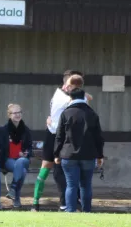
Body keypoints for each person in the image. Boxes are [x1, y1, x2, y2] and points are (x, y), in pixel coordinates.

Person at [32, 70, 92, 212]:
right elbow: (86, 99)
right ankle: (64, 204)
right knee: (56, 168)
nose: (79, 88)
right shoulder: (66, 98)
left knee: (63, 169)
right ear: (67, 84)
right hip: (58, 135)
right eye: (75, 84)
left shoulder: (60, 93)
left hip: (57, 132)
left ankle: (62, 203)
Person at [53, 80, 104, 213]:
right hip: (88, 155)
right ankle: (86, 211)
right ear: (83, 97)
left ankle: (70, 211)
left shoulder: (66, 113)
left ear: (71, 98)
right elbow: (99, 137)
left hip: (68, 155)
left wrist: (56, 154)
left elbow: (59, 136)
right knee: (86, 185)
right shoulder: (92, 114)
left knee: (71, 185)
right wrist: (100, 156)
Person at [2, 103, 33, 208]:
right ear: (9, 115)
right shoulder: (4, 130)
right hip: (8, 160)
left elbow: (29, 148)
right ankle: (16, 197)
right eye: (14, 113)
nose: (17, 115)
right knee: (23, 172)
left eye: (19, 112)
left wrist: (25, 153)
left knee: (21, 161)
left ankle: (13, 189)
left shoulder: (26, 130)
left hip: (22, 159)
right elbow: (1, 148)